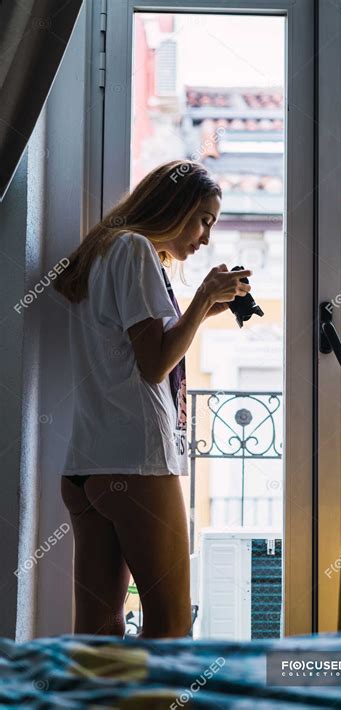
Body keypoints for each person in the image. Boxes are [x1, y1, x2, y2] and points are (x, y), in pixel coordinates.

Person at [54, 160, 252, 638]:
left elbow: (134, 355)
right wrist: (202, 298)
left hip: (85, 466)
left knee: (98, 628)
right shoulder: (137, 251)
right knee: (171, 625)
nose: (205, 237)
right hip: (136, 463)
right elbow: (153, 364)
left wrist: (200, 312)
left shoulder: (102, 251)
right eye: (204, 219)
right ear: (173, 205)